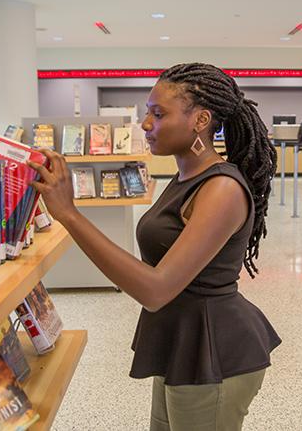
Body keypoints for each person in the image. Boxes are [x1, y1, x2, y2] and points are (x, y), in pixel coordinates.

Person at [28, 63, 281, 431]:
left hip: (214, 349)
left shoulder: (222, 188)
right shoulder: (186, 177)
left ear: (201, 120)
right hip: (181, 341)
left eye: (158, 114)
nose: (146, 123)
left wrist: (70, 215)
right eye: (148, 112)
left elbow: (156, 289)